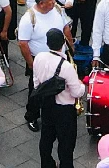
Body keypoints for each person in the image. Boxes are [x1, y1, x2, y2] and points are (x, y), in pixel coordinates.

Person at [32, 27, 85, 168]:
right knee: (66, 144)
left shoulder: (38, 58)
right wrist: (82, 85)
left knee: (46, 138)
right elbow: (76, 93)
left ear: (47, 43)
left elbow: (36, 84)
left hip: (47, 106)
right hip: (65, 111)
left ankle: (47, 164)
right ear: (63, 43)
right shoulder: (67, 66)